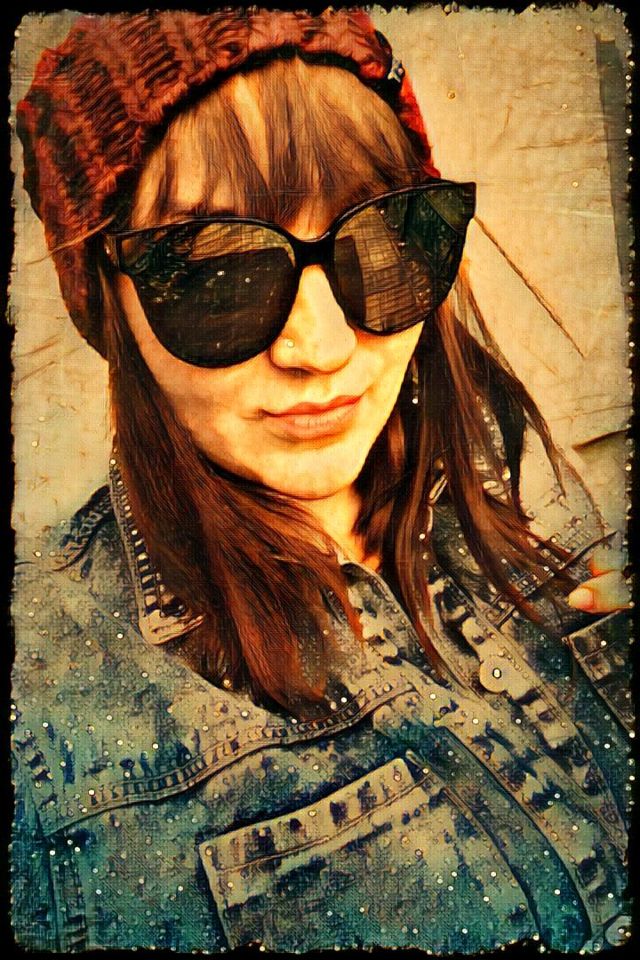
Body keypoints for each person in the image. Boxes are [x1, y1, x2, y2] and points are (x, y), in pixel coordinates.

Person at [11, 7, 632, 955]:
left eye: (380, 239)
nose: (323, 347)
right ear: (106, 296)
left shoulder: (518, 471)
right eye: (216, 273)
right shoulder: (44, 705)